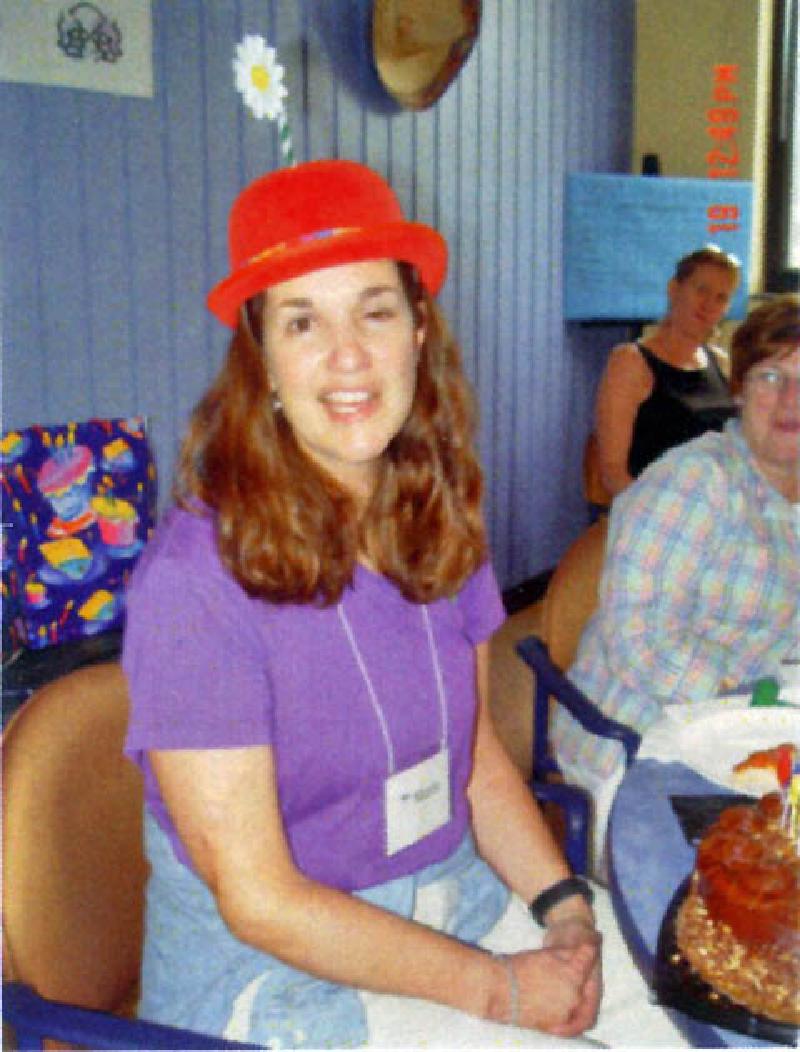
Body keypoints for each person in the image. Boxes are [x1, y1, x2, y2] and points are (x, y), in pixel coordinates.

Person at [122, 159, 685, 1049]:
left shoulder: (438, 513)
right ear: (260, 357)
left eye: (375, 311)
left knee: (685, 1007)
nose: (347, 354)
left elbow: (474, 759)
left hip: (453, 903)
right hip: (277, 977)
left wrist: (567, 910)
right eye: (302, 320)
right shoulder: (193, 583)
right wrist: (501, 990)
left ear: (419, 330)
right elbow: (261, 901)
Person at [555, 293, 800, 872]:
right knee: (736, 894)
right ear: (739, 389)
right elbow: (641, 643)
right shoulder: (694, 483)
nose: (791, 399)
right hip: (640, 736)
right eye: (771, 377)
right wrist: (748, 707)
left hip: (754, 731)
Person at [593, 245, 741, 498]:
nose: (709, 304)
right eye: (702, 290)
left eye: (721, 298)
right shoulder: (630, 362)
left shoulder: (722, 363)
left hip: (716, 506)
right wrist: (661, 514)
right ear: (674, 289)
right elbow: (613, 471)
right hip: (652, 507)